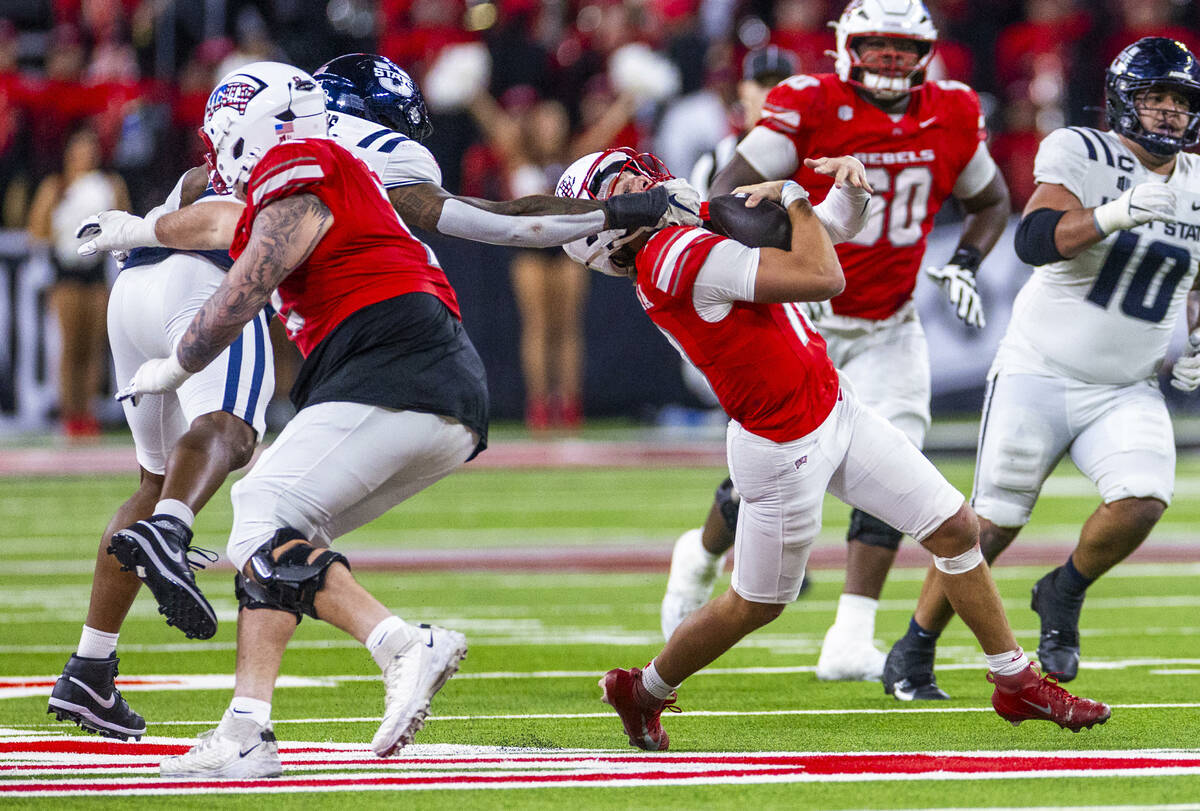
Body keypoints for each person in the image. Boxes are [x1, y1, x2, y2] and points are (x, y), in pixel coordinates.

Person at [77, 56, 685, 778]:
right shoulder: (317, 165)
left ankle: (400, 643)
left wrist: (181, 359)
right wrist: (135, 225)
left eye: (224, 139)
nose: (216, 156)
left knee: (259, 509)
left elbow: (252, 268)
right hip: (403, 365)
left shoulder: (305, 159)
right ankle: (247, 728)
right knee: (277, 536)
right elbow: (218, 214)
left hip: (394, 357)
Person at [555, 147, 1109, 751]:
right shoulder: (672, 255)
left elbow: (823, 232)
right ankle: (643, 690)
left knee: (953, 527)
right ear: (601, 232)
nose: (638, 179)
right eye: (617, 185)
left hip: (831, 406)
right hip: (782, 445)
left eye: (630, 170)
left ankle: (1015, 680)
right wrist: (791, 197)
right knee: (757, 604)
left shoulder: (680, 236)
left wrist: (847, 195)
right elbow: (823, 275)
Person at [660, 0, 1012, 686]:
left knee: (900, 471)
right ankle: (699, 555)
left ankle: (851, 633)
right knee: (768, 485)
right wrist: (801, 232)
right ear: (848, 46)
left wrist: (966, 261)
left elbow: (991, 199)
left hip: (891, 326)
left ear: (927, 53)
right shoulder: (808, 100)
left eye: (901, 49)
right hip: (807, 321)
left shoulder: (952, 110)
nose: (888, 61)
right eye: (876, 46)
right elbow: (730, 193)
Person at [883, 36, 1200, 697]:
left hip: (1126, 384)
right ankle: (914, 646)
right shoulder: (1084, 152)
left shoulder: (1198, 184)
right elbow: (1032, 241)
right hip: (1041, 369)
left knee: (1142, 501)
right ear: (1123, 101)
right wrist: (1116, 211)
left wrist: (1197, 342)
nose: (1169, 112)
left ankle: (1063, 589)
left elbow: (1192, 280)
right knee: (989, 523)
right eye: (1156, 98)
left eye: (1180, 101)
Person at [47, 167, 273, 741]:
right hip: (205, 284)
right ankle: (170, 533)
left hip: (134, 290)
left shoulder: (206, 165)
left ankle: (90, 668)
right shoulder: (319, 151)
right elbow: (231, 223)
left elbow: (199, 194)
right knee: (232, 431)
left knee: (154, 484)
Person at [27, 124, 129, 439]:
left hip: (96, 273)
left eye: (91, 149)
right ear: (70, 152)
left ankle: (88, 412)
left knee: (94, 347)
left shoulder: (109, 184)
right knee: (71, 346)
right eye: (80, 148)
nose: (86, 154)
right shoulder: (57, 186)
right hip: (67, 274)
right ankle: (70, 413)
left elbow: (124, 219)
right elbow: (37, 229)